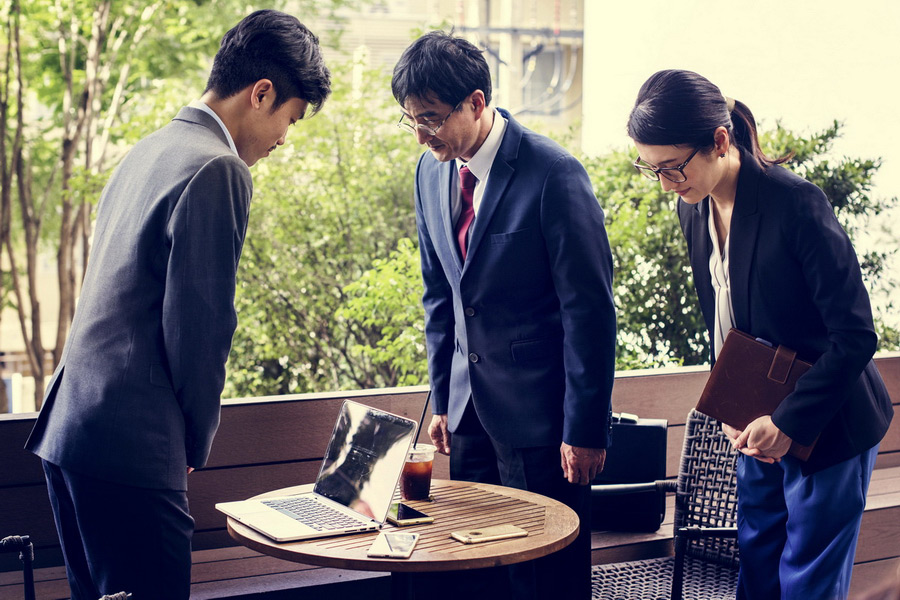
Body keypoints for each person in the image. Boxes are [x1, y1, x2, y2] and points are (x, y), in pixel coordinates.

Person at [24, 10, 330, 600]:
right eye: (288, 120)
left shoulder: (148, 149)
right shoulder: (219, 167)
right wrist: (193, 440)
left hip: (73, 432)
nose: (283, 140)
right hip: (133, 446)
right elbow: (200, 326)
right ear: (261, 93)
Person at [627, 69, 893, 599]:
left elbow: (856, 336)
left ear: (719, 142)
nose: (665, 185)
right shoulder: (693, 208)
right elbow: (729, 327)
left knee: (807, 585)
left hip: (828, 424)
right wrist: (734, 408)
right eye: (651, 169)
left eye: (673, 168)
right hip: (754, 425)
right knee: (758, 571)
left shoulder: (796, 204)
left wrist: (788, 420)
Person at [391, 31, 616, 599]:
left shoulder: (554, 173)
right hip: (468, 419)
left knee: (546, 581)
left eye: (433, 118)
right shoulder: (429, 172)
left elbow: (588, 312)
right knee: (478, 573)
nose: (421, 134)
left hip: (544, 423)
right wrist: (443, 399)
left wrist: (584, 428)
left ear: (475, 101)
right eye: (410, 119)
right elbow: (439, 296)